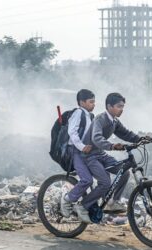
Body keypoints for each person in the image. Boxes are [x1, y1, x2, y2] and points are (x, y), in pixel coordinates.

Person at [80, 92, 151, 213]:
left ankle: (112, 202)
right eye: (119, 106)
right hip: (89, 155)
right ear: (109, 106)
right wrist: (112, 146)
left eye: (123, 106)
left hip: (100, 154)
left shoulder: (114, 122)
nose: (121, 109)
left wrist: (140, 139)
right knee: (105, 183)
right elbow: (96, 138)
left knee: (124, 172)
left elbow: (126, 133)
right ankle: (82, 205)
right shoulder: (100, 119)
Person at [60, 89, 95, 223]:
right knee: (87, 180)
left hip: (86, 152)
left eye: (94, 102)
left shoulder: (90, 116)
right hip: (75, 151)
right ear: (82, 102)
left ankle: (87, 206)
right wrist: (82, 147)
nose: (94, 104)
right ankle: (67, 199)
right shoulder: (78, 113)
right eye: (91, 102)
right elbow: (72, 133)